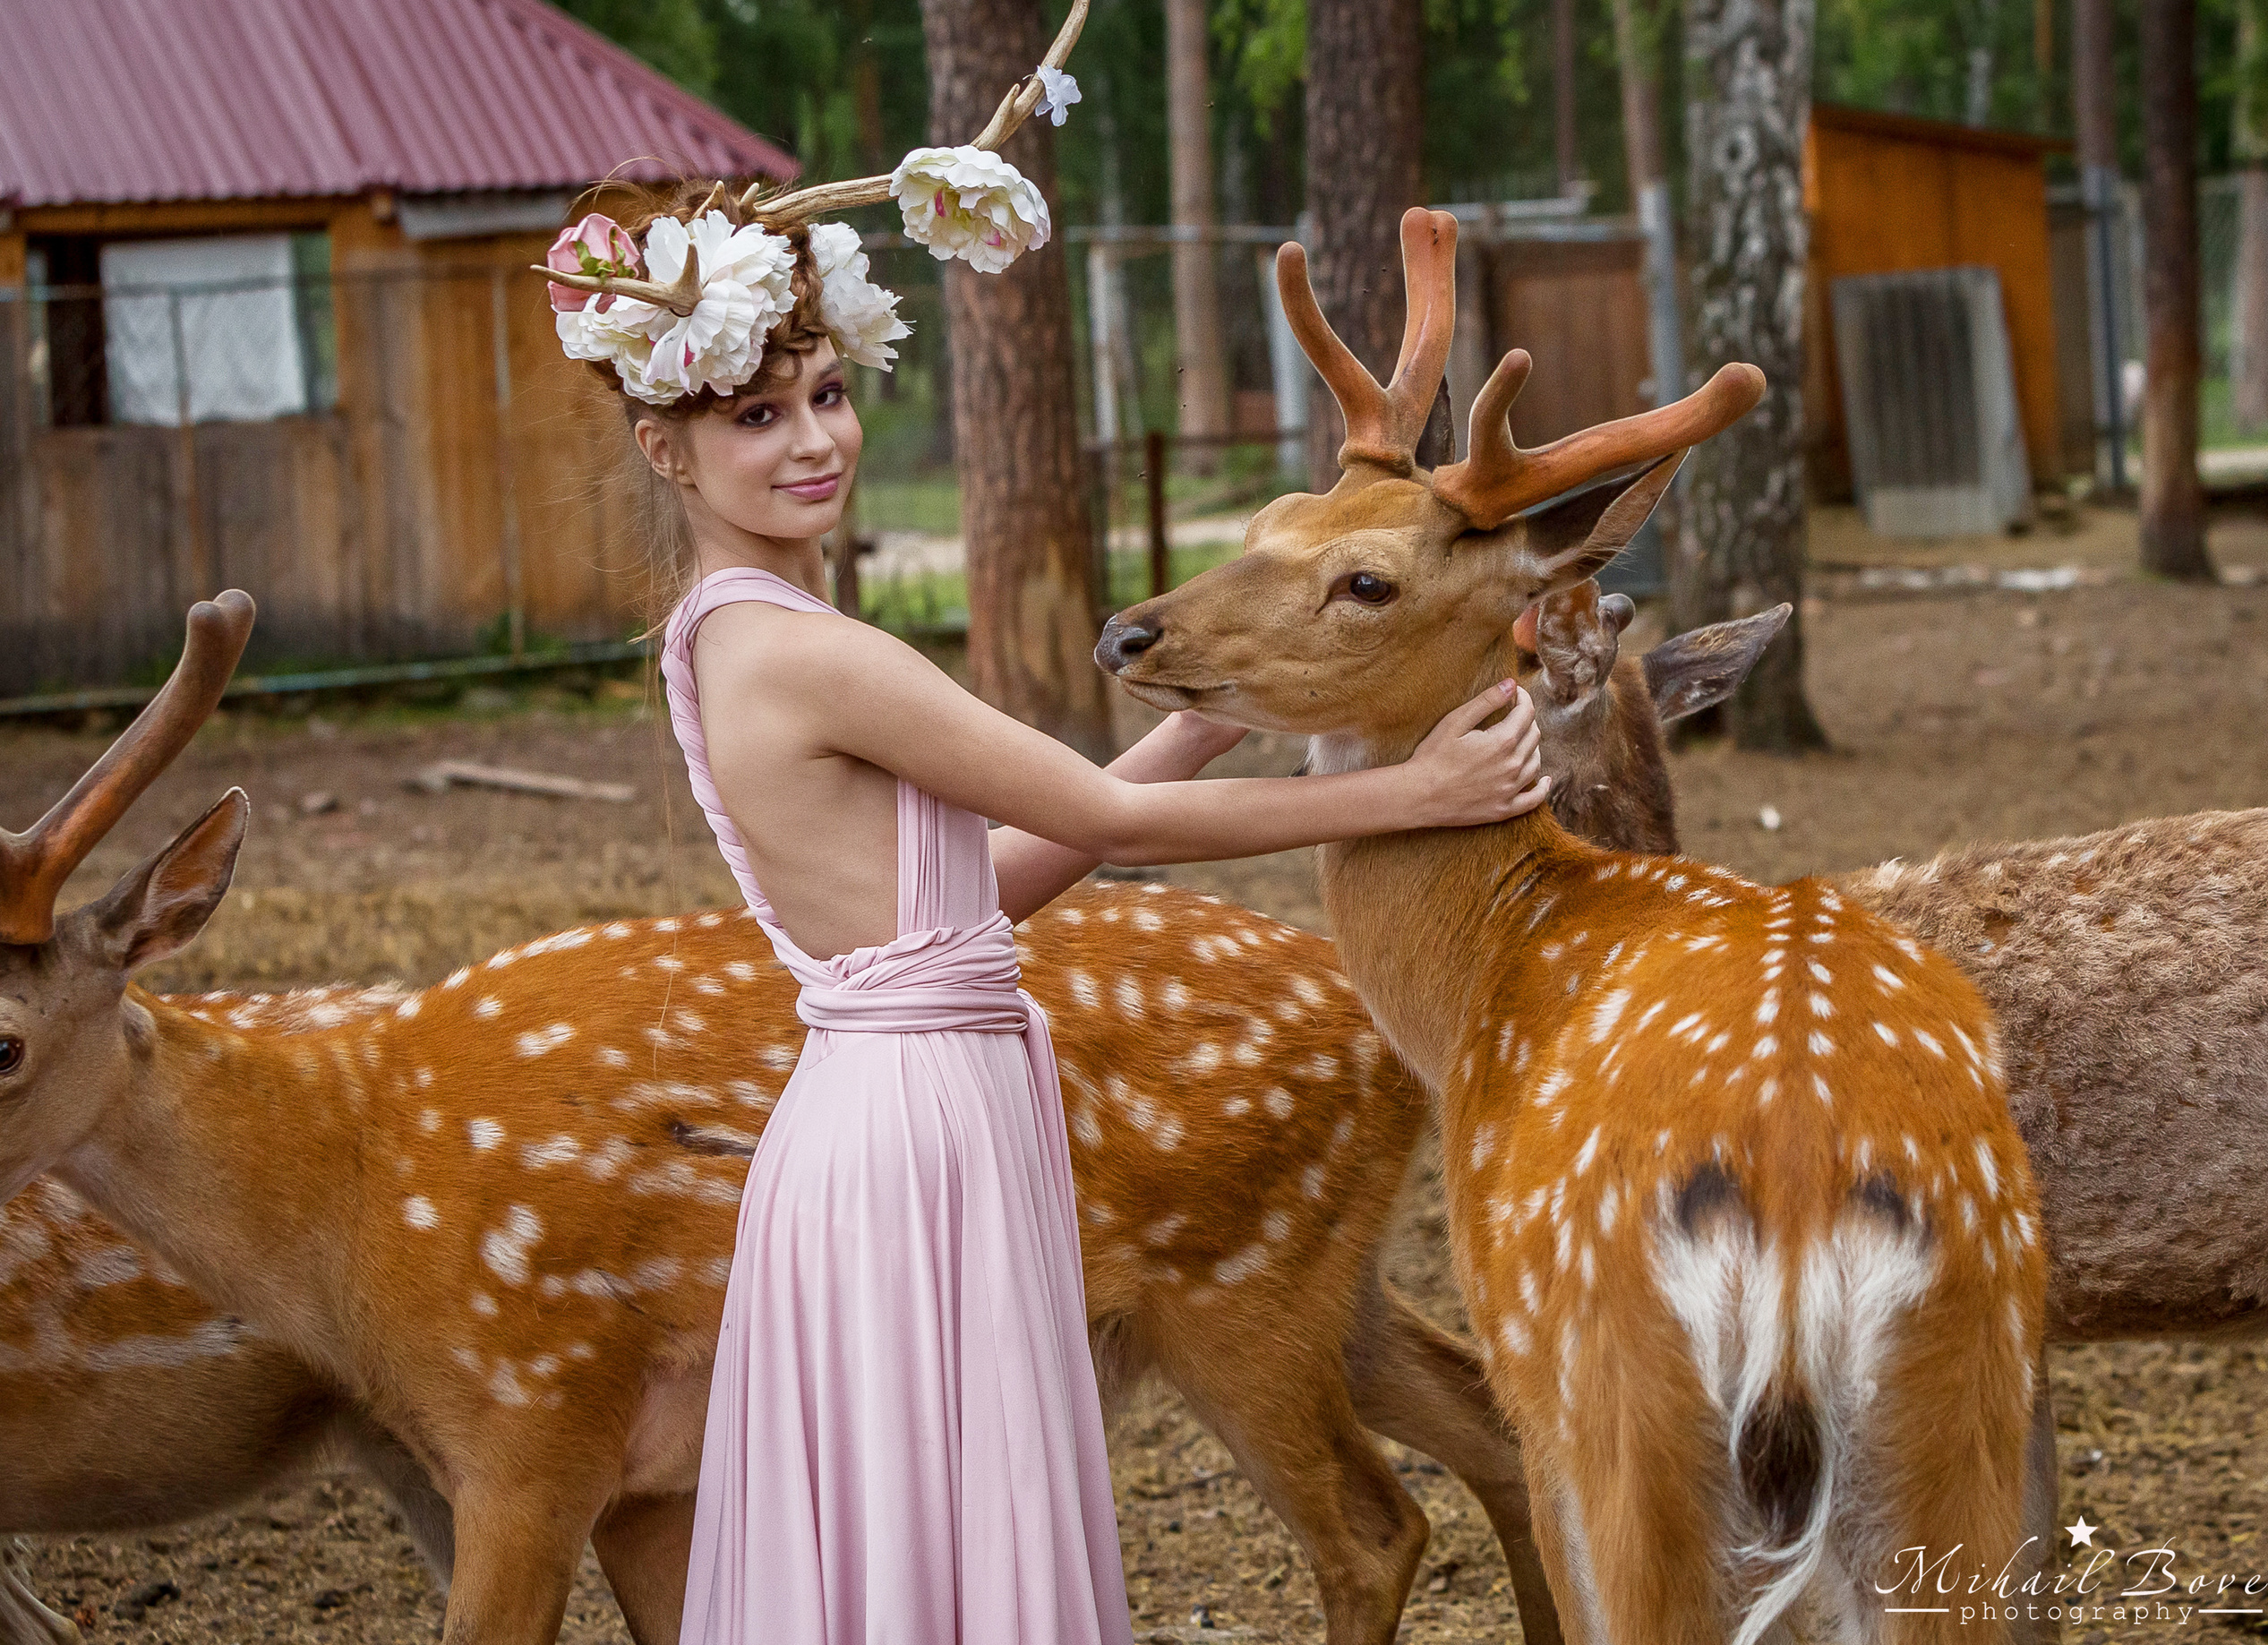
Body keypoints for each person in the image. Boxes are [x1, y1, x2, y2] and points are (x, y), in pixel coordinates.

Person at [543, 177, 1548, 1645]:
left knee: (913, 1518)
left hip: (896, 1103)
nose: (817, 439)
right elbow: (1107, 819)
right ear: (666, 447)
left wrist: (1212, 714)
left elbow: (985, 884)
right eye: (758, 419)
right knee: (945, 1516)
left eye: (827, 394)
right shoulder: (804, 653)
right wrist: (1412, 797)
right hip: (917, 1131)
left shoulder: (730, 637)